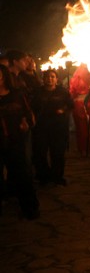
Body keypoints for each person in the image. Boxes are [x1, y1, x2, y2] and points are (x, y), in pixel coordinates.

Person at [0, 64, 40, 219]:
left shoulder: (16, 94)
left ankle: (30, 208)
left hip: (15, 141)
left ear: (4, 77)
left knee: (22, 174)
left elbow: (28, 114)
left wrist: (26, 122)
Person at [31, 68, 73, 185]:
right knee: (40, 153)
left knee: (58, 152)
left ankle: (57, 176)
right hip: (41, 127)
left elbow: (70, 105)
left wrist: (62, 110)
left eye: (52, 77)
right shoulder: (37, 92)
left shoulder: (62, 92)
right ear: (43, 79)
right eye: (47, 77)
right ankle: (43, 176)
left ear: (56, 79)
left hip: (58, 127)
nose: (49, 79)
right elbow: (31, 107)